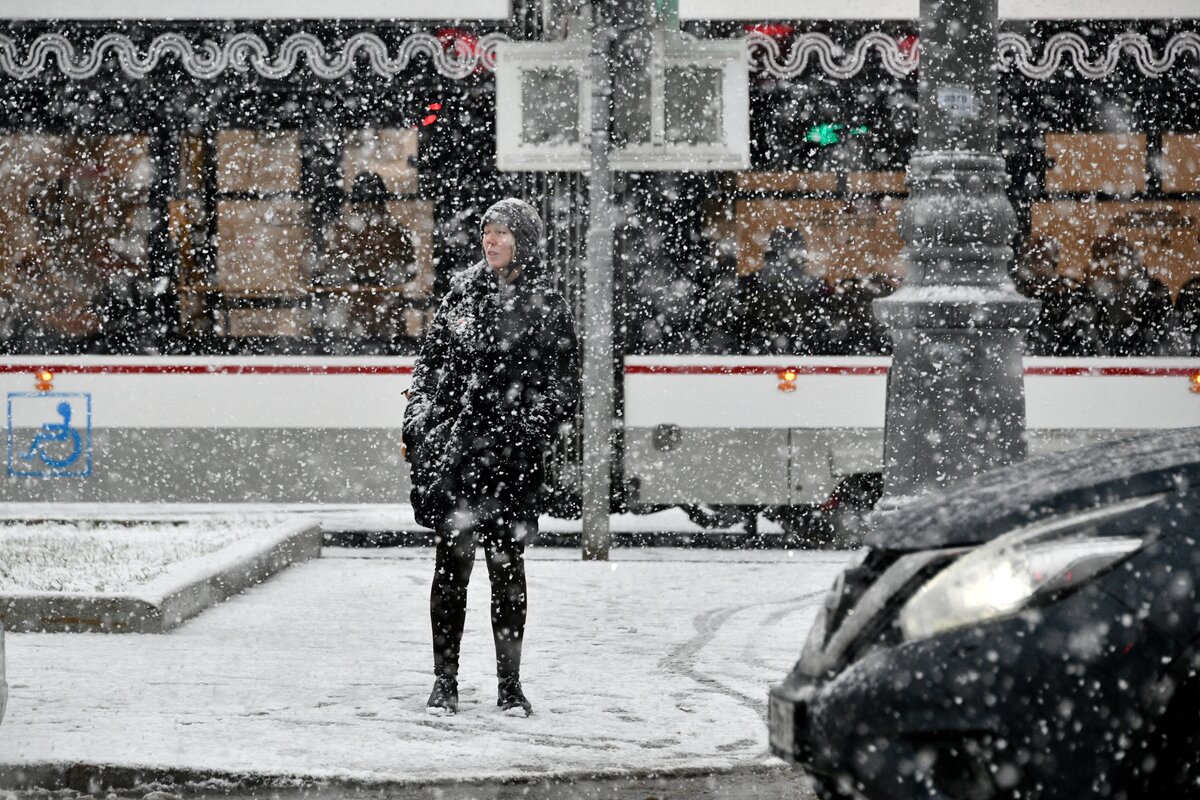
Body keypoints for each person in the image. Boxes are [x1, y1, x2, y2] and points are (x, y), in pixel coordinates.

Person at [402, 198, 579, 717]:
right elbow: (429, 368)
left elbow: (562, 385)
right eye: (486, 231)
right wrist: (418, 423)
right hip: (460, 458)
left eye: (502, 232)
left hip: (511, 463)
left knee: (507, 573)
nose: (491, 240)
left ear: (523, 239)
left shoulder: (545, 301)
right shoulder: (462, 292)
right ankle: (445, 681)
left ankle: (509, 685)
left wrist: (525, 428)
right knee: (450, 573)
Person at [324, 172, 421, 342]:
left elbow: (329, 270)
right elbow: (409, 271)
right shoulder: (396, 232)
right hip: (386, 318)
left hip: (351, 320)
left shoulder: (341, 231)